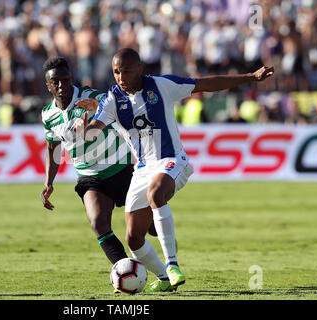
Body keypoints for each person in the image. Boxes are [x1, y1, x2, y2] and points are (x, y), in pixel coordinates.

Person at [74, 48, 274, 292]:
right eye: (116, 72)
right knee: (133, 238)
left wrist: (250, 77)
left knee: (156, 195)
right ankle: (164, 279)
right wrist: (84, 130)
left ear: (140, 69)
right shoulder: (113, 99)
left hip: (172, 160)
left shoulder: (161, 85)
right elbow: (95, 129)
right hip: (142, 169)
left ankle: (172, 265)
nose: (121, 77)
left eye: (126, 71)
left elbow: (206, 84)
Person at [40, 57, 158, 280]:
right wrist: (49, 183)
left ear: (71, 79)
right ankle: (128, 274)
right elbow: (53, 147)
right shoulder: (48, 115)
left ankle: (168, 263)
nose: (61, 86)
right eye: (55, 82)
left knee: (150, 228)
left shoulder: (91, 97)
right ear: (48, 85)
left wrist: (99, 107)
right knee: (98, 222)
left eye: (65, 80)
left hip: (122, 168)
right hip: (90, 176)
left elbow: (124, 105)